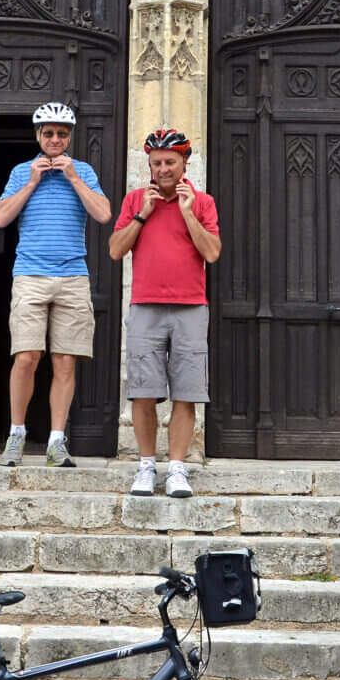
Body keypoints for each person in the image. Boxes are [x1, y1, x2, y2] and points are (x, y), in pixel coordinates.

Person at [0, 100, 110, 466]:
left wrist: (74, 178)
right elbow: (0, 219)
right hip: (30, 274)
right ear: (38, 136)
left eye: (61, 134)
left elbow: (104, 214)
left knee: (65, 362)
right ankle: (17, 434)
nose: (55, 139)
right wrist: (31, 183)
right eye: (49, 133)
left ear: (69, 137)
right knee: (26, 356)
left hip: (73, 275)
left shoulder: (84, 172)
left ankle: (57, 441)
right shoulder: (20, 171)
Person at [107, 126, 219, 498]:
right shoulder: (135, 199)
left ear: (184, 163)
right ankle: (145, 466)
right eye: (156, 163)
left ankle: (176, 470)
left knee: (186, 393)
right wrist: (142, 214)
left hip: (190, 307)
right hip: (145, 306)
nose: (163, 169)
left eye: (170, 162)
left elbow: (212, 252)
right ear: (149, 165)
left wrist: (187, 213)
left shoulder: (202, 202)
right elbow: (115, 249)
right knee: (143, 392)